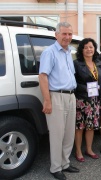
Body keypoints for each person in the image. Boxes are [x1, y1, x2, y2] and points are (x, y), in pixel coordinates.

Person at [39, 22, 79, 180]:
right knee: (57, 134)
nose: (67, 37)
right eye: (64, 34)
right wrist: (47, 101)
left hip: (70, 96)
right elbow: (43, 76)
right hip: (56, 97)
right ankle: (55, 168)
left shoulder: (69, 52)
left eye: (70, 34)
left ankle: (65, 164)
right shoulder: (50, 52)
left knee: (69, 134)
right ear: (56, 35)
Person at [74, 38, 101, 162]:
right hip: (81, 99)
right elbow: (72, 82)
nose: (89, 49)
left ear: (94, 48)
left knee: (90, 126)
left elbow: (100, 81)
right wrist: (85, 88)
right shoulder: (76, 64)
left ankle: (89, 149)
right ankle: (78, 151)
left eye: (91, 47)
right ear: (82, 50)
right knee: (80, 127)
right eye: (86, 47)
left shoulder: (98, 63)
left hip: (94, 100)